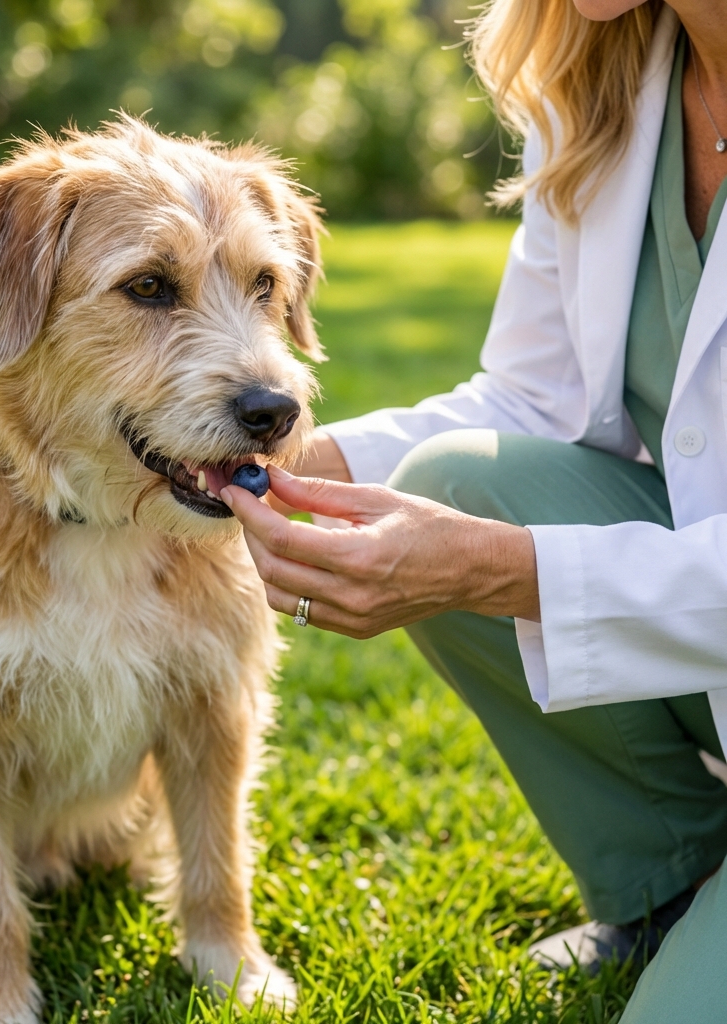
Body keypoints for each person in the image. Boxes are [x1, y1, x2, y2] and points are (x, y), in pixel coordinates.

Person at [220, 0, 727, 1019]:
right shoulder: (608, 84)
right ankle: (670, 882)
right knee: (457, 476)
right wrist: (267, 463)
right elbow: (527, 400)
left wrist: (503, 569)